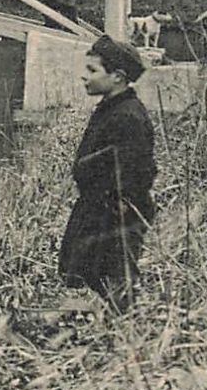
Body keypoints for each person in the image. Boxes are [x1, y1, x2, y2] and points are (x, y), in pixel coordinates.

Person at [58, 34, 156, 312]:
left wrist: (119, 206)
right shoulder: (113, 108)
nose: (83, 76)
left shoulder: (127, 116)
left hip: (116, 214)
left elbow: (137, 171)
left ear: (118, 77)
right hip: (101, 208)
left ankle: (125, 331)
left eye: (92, 70)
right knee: (91, 270)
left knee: (116, 276)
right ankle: (116, 324)